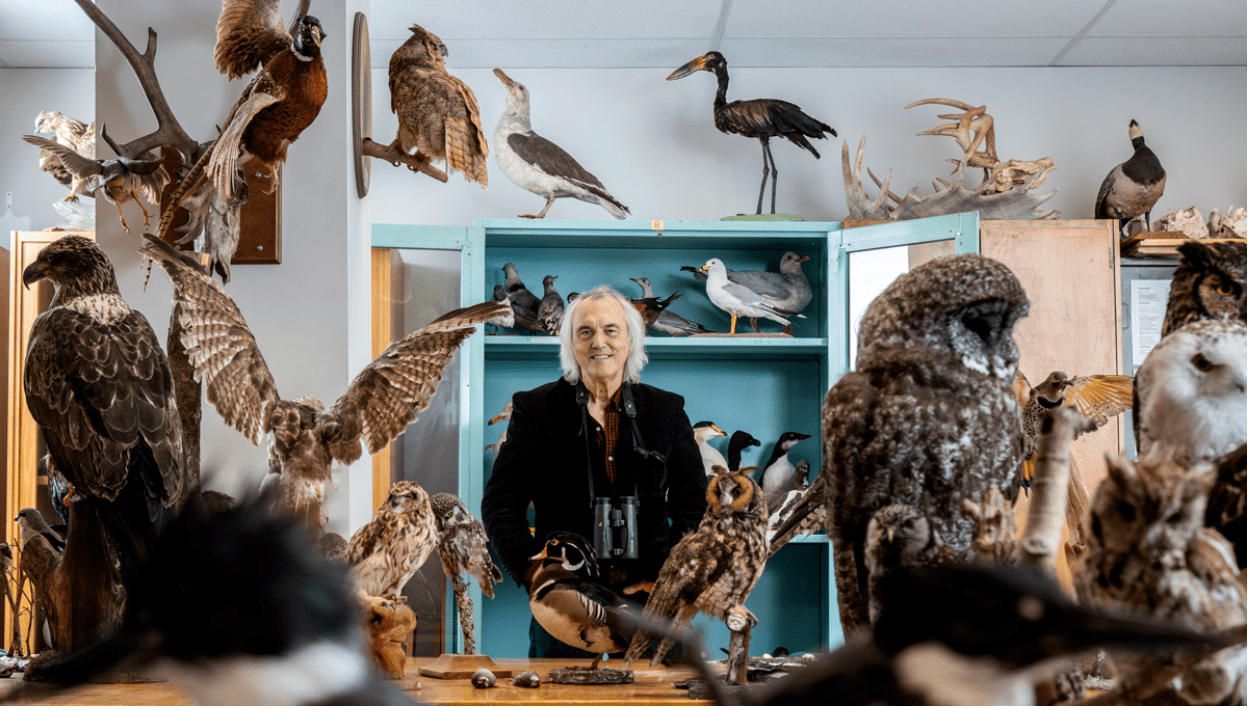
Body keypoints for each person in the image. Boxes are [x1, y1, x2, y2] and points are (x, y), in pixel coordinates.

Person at [481, 284, 708, 658]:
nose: (598, 342)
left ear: (630, 341)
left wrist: (670, 577)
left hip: (652, 604)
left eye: (610, 330)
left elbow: (694, 506)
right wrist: (537, 575)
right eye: (584, 332)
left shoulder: (667, 410)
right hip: (565, 609)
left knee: (659, 692)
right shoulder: (534, 409)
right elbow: (500, 504)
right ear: (571, 345)